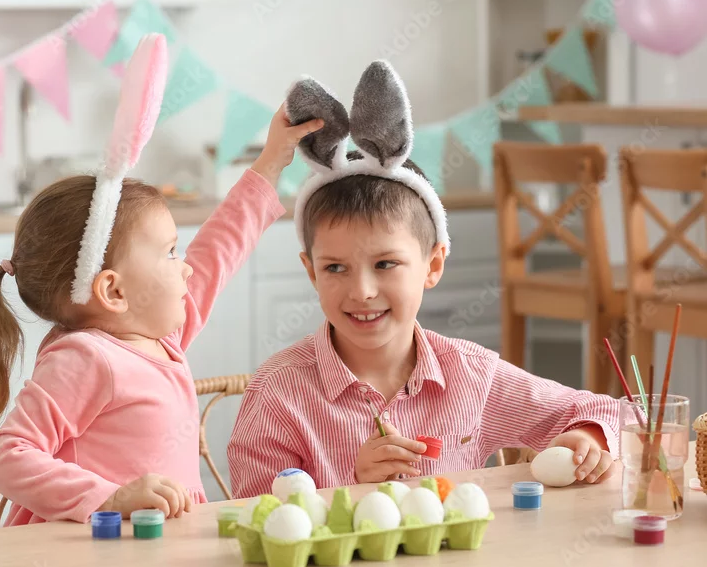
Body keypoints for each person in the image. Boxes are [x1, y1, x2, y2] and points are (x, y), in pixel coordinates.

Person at [227, 60, 618, 499]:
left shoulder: (471, 376)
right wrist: (352, 490)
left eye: (385, 264)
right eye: (335, 268)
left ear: (432, 266)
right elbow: (254, 518)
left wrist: (585, 438)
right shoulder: (278, 393)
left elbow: (602, 410)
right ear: (311, 271)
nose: (362, 292)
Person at [0, 59, 323, 523]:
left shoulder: (157, 336)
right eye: (171, 253)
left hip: (151, 550)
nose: (187, 269)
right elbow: (6, 456)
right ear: (114, 292)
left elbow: (218, 252)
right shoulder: (85, 359)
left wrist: (272, 159)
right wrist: (110, 499)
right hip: (82, 557)